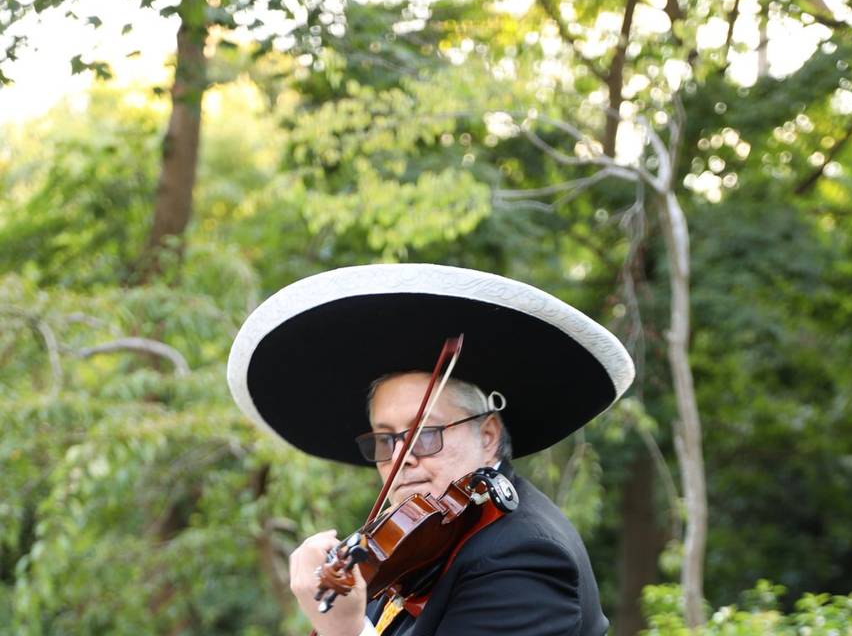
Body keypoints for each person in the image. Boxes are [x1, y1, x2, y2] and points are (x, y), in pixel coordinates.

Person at [227, 264, 635, 636]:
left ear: (488, 434)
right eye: (386, 439)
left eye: (425, 433)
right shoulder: (411, 553)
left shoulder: (522, 555)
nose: (401, 457)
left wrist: (347, 632)